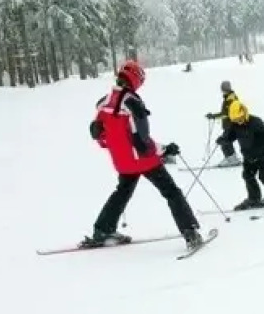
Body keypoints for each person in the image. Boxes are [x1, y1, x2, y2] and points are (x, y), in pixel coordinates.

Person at [84, 60, 207, 250]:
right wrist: (165, 149)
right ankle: (190, 232)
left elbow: (100, 137)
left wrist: (120, 150)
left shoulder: (103, 102)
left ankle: (103, 229)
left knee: (122, 193)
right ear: (135, 79)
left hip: (122, 163)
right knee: (171, 192)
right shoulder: (133, 103)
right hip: (143, 161)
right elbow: (142, 143)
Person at [216, 98, 264, 211]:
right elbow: (230, 136)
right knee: (248, 176)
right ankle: (254, 198)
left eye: (240, 118)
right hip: (248, 155)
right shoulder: (235, 125)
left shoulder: (255, 122)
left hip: (261, 154)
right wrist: (224, 139)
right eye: (236, 119)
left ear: (244, 112)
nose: (238, 121)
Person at [205, 81, 245, 165]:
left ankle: (232, 159)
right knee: (224, 141)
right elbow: (225, 113)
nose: (222, 90)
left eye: (223, 89)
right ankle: (232, 158)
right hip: (231, 125)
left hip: (232, 126)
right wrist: (213, 116)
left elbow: (226, 114)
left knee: (224, 141)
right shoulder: (229, 98)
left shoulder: (230, 99)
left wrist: (214, 116)